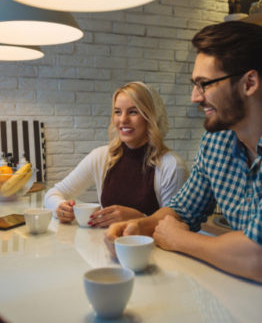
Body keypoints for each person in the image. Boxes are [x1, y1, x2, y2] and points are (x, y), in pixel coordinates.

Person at [105, 21, 262, 283]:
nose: (195, 97)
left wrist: (181, 239)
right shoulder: (216, 143)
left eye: (204, 84)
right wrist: (138, 228)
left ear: (249, 83)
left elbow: (257, 256)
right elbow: (182, 209)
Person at [44, 81, 188, 227]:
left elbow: (174, 226)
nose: (123, 120)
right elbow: (52, 194)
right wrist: (60, 208)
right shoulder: (101, 157)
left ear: (150, 117)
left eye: (133, 112)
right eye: (117, 112)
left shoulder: (172, 166)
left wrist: (139, 218)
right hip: (105, 246)